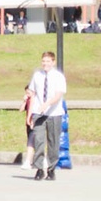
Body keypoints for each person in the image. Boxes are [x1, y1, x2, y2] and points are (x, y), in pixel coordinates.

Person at [28, 51, 67, 181]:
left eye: (48, 61)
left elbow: (58, 95)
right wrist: (30, 113)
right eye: (43, 61)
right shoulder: (37, 75)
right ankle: (39, 169)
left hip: (54, 113)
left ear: (53, 62)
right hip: (38, 113)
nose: (45, 64)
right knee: (38, 140)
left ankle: (51, 169)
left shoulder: (58, 76)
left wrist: (47, 104)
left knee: (53, 142)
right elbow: (32, 94)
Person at [20, 85, 36, 170]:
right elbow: (21, 110)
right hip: (28, 124)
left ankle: (28, 161)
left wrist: (32, 120)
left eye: (28, 92)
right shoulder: (28, 100)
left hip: (34, 123)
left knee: (30, 143)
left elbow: (35, 111)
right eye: (26, 92)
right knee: (35, 143)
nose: (27, 94)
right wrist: (24, 101)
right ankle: (42, 159)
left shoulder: (36, 100)